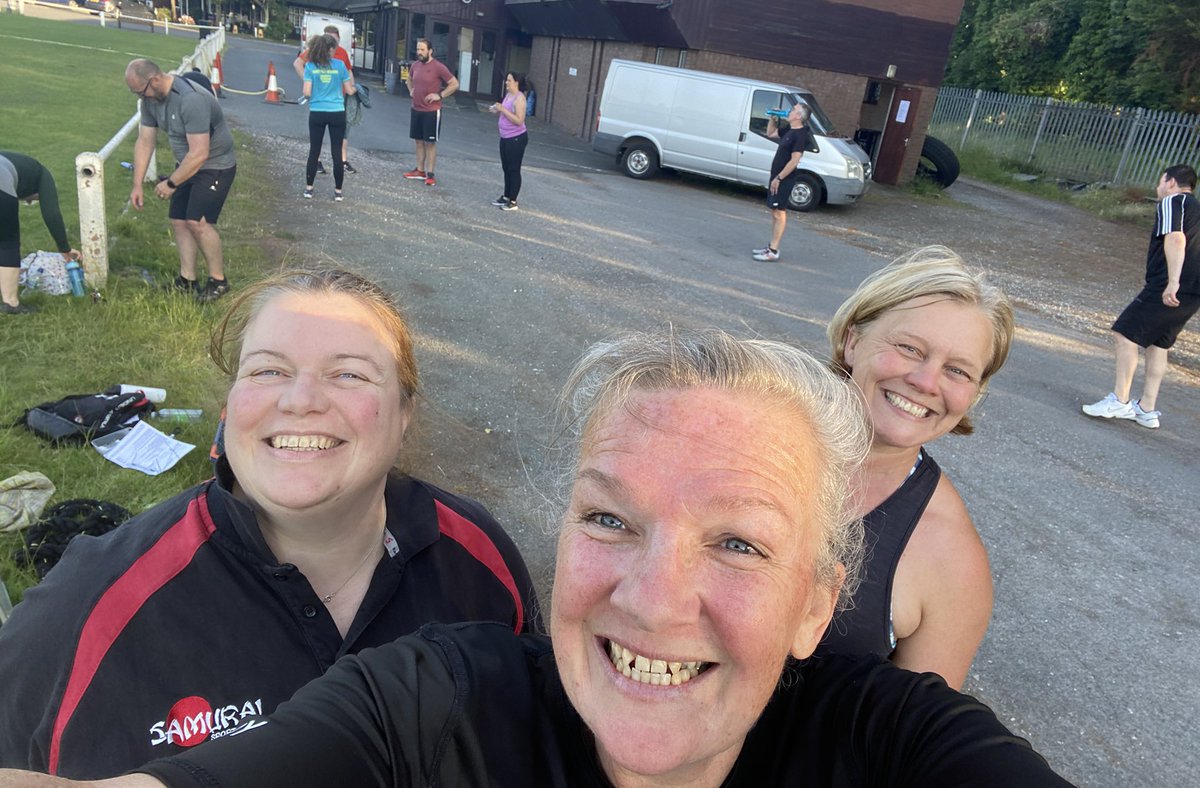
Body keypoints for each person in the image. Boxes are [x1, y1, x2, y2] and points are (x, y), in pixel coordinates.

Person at [0, 331, 1070, 787]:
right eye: (609, 521)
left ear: (815, 607)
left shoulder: (886, 742)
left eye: (739, 542)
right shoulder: (441, 704)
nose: (652, 601)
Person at [0, 267, 539, 779]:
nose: (300, 400)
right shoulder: (83, 610)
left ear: (404, 413)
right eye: (268, 370)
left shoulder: (480, 560)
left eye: (348, 373)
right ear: (230, 407)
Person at [818, 245, 1014, 690]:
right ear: (852, 339)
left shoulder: (951, 562)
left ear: (974, 393)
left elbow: (905, 741)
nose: (926, 382)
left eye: (958, 371)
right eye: (909, 348)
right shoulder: (743, 432)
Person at [1082, 164, 1200, 430]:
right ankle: (1147, 409)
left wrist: (1172, 282)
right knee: (1158, 345)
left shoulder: (1173, 202)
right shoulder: (1197, 209)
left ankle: (1120, 401)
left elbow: (1176, 239)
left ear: (1170, 182)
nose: (1158, 188)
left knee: (1125, 334)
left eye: (1160, 182)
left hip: (1169, 285)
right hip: (1195, 290)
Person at [125, 59, 236, 302]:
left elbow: (200, 153)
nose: (140, 97)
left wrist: (171, 183)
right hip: (187, 163)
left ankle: (219, 281)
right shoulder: (149, 100)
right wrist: (137, 184)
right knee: (178, 220)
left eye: (140, 91)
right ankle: (187, 280)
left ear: (154, 80)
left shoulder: (190, 99)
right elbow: (145, 141)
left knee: (197, 222)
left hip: (215, 164)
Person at [0, 151, 80, 314]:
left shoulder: (16, 162)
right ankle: (11, 303)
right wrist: (64, 248)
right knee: (8, 242)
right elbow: (52, 215)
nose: (30, 201)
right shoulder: (44, 175)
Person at [292, 25, 356, 174]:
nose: (330, 44)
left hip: (338, 99)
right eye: (327, 38)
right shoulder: (317, 51)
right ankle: (318, 163)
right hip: (321, 100)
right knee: (317, 138)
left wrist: (351, 88)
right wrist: (309, 82)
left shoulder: (342, 54)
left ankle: (343, 160)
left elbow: (349, 71)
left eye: (333, 39)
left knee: (341, 134)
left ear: (338, 39)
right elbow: (298, 64)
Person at [752, 103, 812, 262]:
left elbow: (795, 160)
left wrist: (779, 178)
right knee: (774, 212)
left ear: (799, 116)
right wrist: (772, 119)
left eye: (793, 110)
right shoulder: (789, 130)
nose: (789, 111)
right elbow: (771, 133)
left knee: (779, 213)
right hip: (776, 177)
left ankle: (773, 251)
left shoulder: (800, 135)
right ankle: (771, 246)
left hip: (784, 179)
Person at [402, 38, 458, 188]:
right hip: (416, 108)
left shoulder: (438, 67)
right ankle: (419, 170)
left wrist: (440, 95)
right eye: (418, 49)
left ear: (430, 51)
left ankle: (430, 174)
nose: (419, 52)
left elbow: (454, 84)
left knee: (430, 143)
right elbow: (409, 78)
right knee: (418, 141)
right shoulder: (415, 65)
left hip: (432, 111)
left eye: (422, 50)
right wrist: (411, 90)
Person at [488, 71, 529, 211]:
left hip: (516, 138)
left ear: (516, 82)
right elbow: (505, 111)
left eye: (509, 80)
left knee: (514, 169)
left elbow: (519, 120)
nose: (506, 82)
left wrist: (503, 110)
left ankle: (513, 201)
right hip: (505, 137)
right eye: (506, 80)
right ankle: (506, 196)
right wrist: (496, 109)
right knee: (506, 168)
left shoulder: (520, 98)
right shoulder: (509, 95)